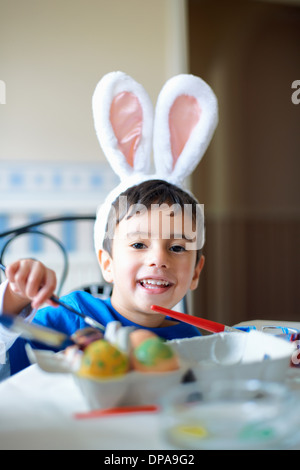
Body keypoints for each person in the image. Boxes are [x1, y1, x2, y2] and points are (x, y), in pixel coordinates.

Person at [0, 70, 218, 376]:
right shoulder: (65, 318)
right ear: (107, 263)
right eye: (139, 244)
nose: (158, 258)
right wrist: (14, 299)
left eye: (178, 247)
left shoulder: (189, 341)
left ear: (196, 271)